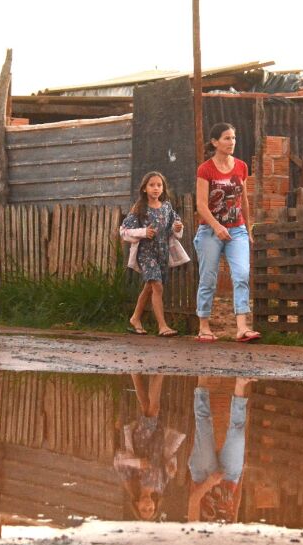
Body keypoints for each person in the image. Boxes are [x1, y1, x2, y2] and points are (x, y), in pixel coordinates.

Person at [194, 123, 260, 343]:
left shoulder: (241, 166)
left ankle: (242, 327)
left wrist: (248, 229)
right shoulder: (205, 169)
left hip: (237, 231)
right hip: (210, 231)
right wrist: (217, 226)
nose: (231, 142)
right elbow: (201, 205)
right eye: (226, 138)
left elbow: (245, 201)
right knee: (208, 279)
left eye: (233, 138)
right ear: (215, 142)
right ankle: (204, 326)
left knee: (241, 275)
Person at [120, 171, 189, 337]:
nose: (156, 188)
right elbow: (123, 231)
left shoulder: (167, 207)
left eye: (159, 185)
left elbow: (175, 225)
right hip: (146, 254)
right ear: (144, 188)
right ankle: (162, 326)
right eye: (152, 185)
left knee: (150, 287)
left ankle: (135, 318)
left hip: (162, 253)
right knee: (157, 286)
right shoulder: (139, 208)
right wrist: (144, 232)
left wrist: (177, 227)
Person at [113, 373, 186, 520]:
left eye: (144, 510)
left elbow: (118, 461)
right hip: (157, 442)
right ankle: (135, 374)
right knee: (147, 406)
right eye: (151, 509)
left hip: (142, 441)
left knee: (154, 409)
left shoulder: (131, 483)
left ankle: (160, 372)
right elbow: (169, 462)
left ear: (137, 504)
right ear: (155, 505)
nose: (147, 506)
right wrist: (172, 467)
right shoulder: (160, 487)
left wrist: (138, 463)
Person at [187, 376, 254, 523]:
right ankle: (240, 384)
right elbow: (236, 503)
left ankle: (203, 378)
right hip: (229, 479)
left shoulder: (195, 535)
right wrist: (240, 474)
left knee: (204, 424)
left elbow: (193, 501)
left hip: (203, 477)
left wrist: (209, 482)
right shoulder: (229, 538)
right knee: (237, 434)